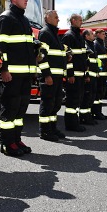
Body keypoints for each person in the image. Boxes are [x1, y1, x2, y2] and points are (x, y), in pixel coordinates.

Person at [0, 0, 36, 156]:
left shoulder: (24, 20)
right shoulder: (6, 18)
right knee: (9, 109)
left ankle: (16, 139)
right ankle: (7, 143)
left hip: (25, 75)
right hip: (11, 74)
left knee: (20, 110)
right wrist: (3, 69)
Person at [37, 10, 67, 141]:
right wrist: (46, 75)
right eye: (56, 17)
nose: (58, 19)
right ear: (47, 18)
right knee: (47, 104)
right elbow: (41, 57)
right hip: (49, 77)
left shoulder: (54, 34)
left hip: (57, 76)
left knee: (55, 104)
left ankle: (52, 128)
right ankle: (45, 131)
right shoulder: (45, 33)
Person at [61, 13, 88, 132]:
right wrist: (70, 74)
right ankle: (71, 124)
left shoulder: (79, 36)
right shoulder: (68, 36)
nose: (81, 22)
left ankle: (75, 122)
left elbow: (82, 57)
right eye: (80, 20)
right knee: (72, 100)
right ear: (73, 21)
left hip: (80, 74)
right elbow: (67, 57)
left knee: (78, 99)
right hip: (74, 75)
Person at [79, 29, 99, 125]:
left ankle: (88, 116)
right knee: (87, 97)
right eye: (91, 33)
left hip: (93, 75)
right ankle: (84, 117)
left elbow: (95, 61)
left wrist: (97, 71)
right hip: (89, 76)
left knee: (91, 97)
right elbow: (85, 61)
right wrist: (86, 74)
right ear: (86, 36)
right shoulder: (86, 45)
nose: (93, 34)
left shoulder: (92, 45)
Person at [93, 29, 107, 120]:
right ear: (98, 34)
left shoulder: (101, 44)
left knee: (100, 94)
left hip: (103, 74)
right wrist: (98, 71)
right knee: (97, 94)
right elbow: (96, 60)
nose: (104, 36)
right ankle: (96, 112)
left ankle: (99, 112)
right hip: (99, 74)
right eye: (103, 34)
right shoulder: (96, 44)